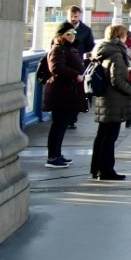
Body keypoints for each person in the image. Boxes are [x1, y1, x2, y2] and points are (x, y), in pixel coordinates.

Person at [88, 25, 131, 180]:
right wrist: (130, 90)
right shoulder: (115, 55)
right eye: (124, 36)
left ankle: (96, 168)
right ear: (118, 37)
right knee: (110, 136)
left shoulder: (103, 51)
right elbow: (116, 80)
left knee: (102, 135)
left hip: (104, 97)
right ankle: (106, 170)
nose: (126, 39)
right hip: (114, 99)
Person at [41, 21, 87, 167]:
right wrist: (76, 75)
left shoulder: (68, 49)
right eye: (69, 34)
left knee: (61, 125)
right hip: (60, 93)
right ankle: (53, 157)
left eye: (74, 33)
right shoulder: (57, 49)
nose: (72, 36)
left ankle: (57, 154)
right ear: (60, 36)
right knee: (58, 126)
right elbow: (57, 68)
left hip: (67, 94)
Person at [67, 5, 94, 129]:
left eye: (75, 16)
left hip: (78, 64)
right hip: (65, 63)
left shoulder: (86, 30)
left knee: (78, 92)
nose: (73, 18)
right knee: (66, 92)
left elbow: (90, 46)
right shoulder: (63, 28)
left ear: (80, 16)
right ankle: (67, 117)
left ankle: (72, 119)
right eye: (71, 16)